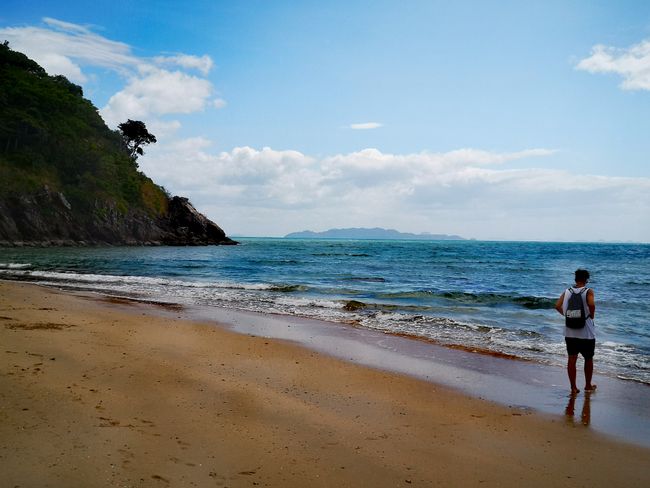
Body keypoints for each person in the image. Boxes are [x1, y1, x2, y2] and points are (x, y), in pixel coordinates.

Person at [555, 269, 597, 394]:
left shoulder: (567, 291)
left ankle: (573, 387)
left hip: (570, 331)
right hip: (586, 332)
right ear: (586, 280)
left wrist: (567, 316)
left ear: (575, 279)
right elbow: (592, 304)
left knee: (572, 358)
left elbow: (557, 306)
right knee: (588, 359)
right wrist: (592, 315)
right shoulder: (588, 291)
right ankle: (588, 385)